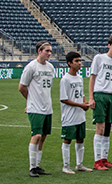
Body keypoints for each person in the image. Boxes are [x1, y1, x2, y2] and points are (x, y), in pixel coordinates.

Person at [89, 35, 112, 170]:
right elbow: (92, 78)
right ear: (109, 45)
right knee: (100, 128)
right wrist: (91, 97)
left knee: (108, 129)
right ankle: (97, 160)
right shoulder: (99, 58)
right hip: (100, 95)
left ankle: (104, 158)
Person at [19, 41, 55, 177]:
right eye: (47, 51)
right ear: (39, 51)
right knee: (37, 135)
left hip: (47, 107)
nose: (49, 53)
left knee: (43, 136)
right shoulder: (31, 67)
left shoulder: (51, 67)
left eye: (50, 51)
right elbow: (22, 87)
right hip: (35, 108)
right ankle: (32, 167)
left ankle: (37, 165)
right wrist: (30, 101)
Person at [60, 52, 92, 174]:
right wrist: (81, 105)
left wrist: (85, 103)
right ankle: (66, 166)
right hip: (69, 116)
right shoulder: (65, 79)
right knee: (68, 140)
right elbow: (64, 98)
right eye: (77, 61)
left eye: (80, 61)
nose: (80, 63)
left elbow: (81, 93)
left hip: (80, 115)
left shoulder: (79, 77)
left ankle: (79, 164)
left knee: (80, 139)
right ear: (69, 63)